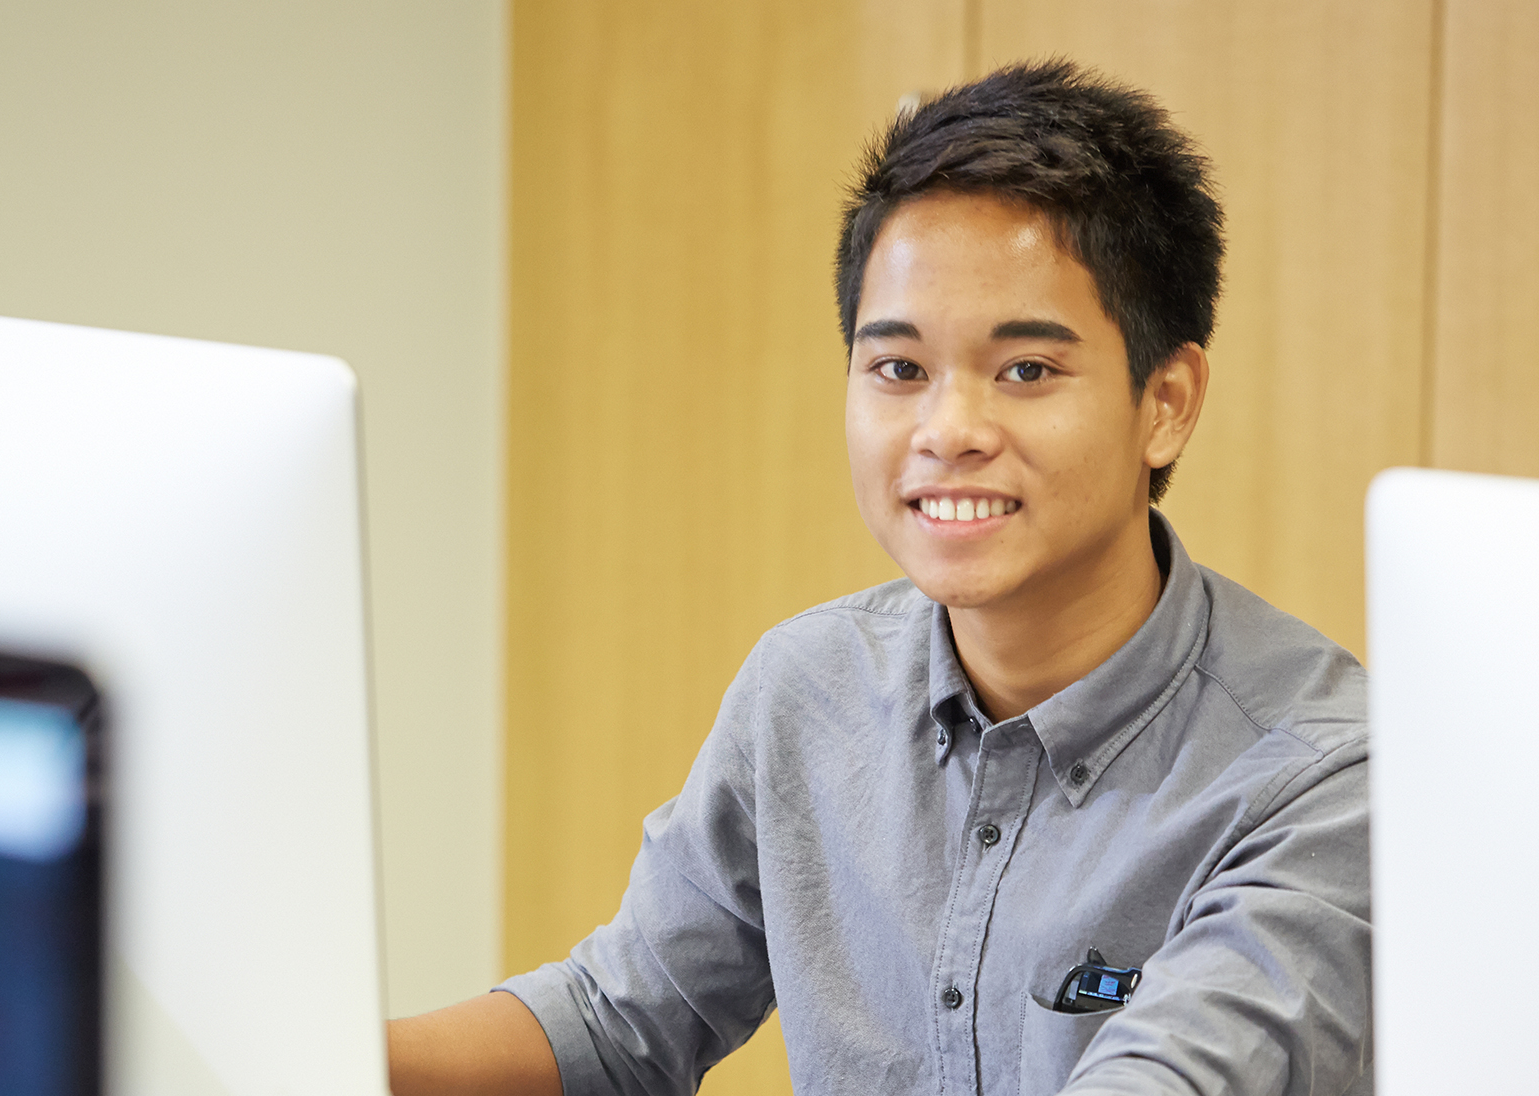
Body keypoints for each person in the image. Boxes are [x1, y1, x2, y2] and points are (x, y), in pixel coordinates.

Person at [388, 59, 1371, 1096]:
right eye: (898, 369)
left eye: (1025, 370)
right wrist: (290, 1048)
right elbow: (617, 1023)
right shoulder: (808, 689)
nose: (947, 431)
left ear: (1164, 399)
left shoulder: (1320, 776)